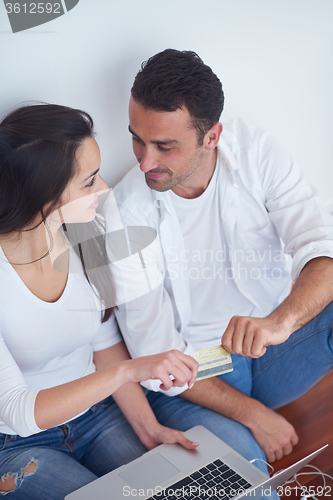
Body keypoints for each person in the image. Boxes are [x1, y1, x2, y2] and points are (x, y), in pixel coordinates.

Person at [107, 49, 333, 487]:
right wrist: (256, 417)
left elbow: (320, 246)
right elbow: (159, 361)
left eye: (164, 146)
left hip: (268, 348)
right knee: (240, 480)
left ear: (211, 137)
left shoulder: (256, 151)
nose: (144, 162)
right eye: (137, 138)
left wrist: (280, 322)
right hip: (193, 378)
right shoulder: (120, 215)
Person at [0, 103, 199, 500]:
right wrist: (129, 371)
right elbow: (19, 412)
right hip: (16, 445)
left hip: (96, 416)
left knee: (181, 492)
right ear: (45, 192)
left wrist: (148, 428)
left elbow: (103, 342)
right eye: (89, 181)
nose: (104, 188)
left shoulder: (82, 237)